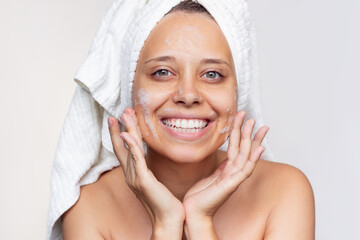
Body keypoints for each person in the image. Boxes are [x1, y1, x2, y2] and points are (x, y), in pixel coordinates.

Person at [60, 1, 315, 239]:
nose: (189, 94)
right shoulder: (90, 206)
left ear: (239, 91)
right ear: (128, 89)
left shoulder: (283, 192)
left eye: (212, 74)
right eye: (162, 72)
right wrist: (165, 225)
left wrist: (200, 221)